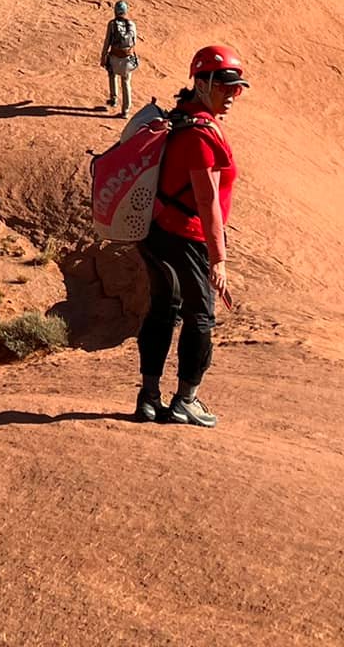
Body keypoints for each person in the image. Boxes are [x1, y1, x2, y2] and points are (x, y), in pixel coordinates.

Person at [136, 45, 246, 427]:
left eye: (237, 89)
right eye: (225, 86)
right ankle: (185, 399)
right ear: (201, 83)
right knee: (200, 316)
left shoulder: (181, 118)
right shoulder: (200, 135)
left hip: (156, 232)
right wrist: (219, 260)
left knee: (164, 309)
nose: (232, 96)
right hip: (186, 236)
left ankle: (148, 398)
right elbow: (207, 200)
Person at [98, 0, 140, 115]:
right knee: (126, 83)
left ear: (115, 12)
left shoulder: (112, 24)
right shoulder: (132, 24)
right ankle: (125, 111)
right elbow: (134, 41)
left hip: (114, 59)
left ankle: (114, 99)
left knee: (111, 74)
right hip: (127, 60)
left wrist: (103, 56)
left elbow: (107, 42)